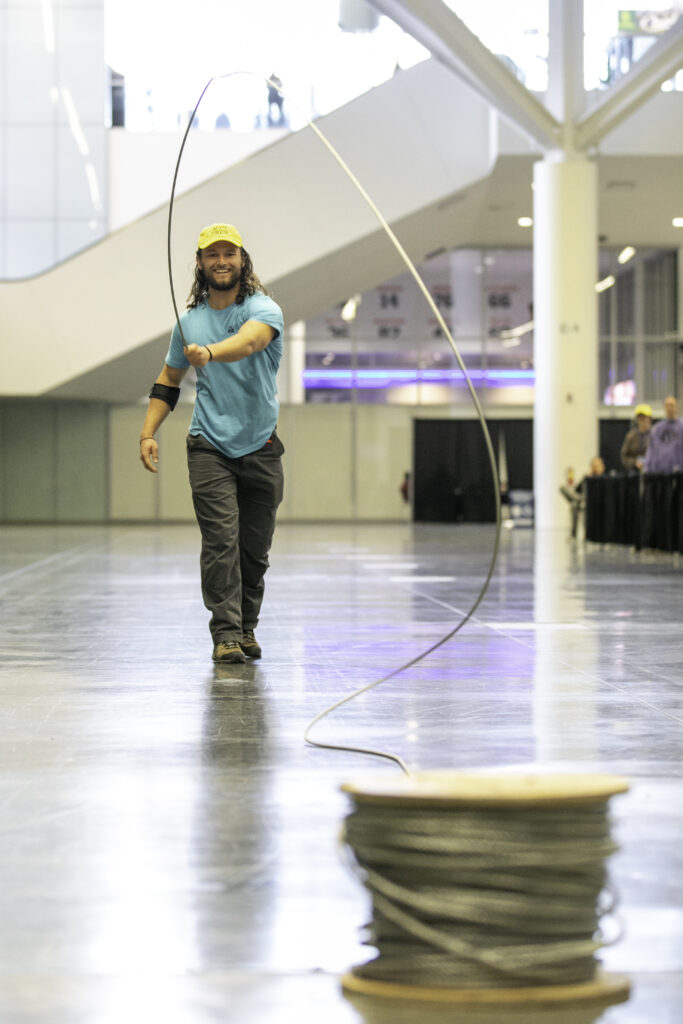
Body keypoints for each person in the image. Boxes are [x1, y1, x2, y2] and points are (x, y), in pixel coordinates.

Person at [139, 223, 285, 664]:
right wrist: (148, 432)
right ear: (200, 264)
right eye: (212, 255)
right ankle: (225, 635)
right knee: (220, 542)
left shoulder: (264, 308)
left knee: (254, 549)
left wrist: (211, 352)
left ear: (242, 260)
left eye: (229, 254)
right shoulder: (189, 322)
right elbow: (168, 381)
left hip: (261, 445)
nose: (221, 261)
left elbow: (250, 342)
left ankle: (246, 628)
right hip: (209, 446)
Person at [643, 395, 683, 473]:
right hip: (661, 473)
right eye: (667, 405)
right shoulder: (657, 429)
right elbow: (651, 450)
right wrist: (647, 467)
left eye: (672, 405)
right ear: (664, 407)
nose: (670, 408)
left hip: (679, 473)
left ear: (676, 407)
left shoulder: (681, 427)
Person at [620, 403, 652, 470]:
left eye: (644, 417)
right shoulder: (631, 436)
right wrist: (634, 463)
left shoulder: (655, 435)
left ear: (649, 418)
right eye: (639, 417)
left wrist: (648, 462)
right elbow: (624, 455)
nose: (642, 420)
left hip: (651, 472)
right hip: (634, 472)